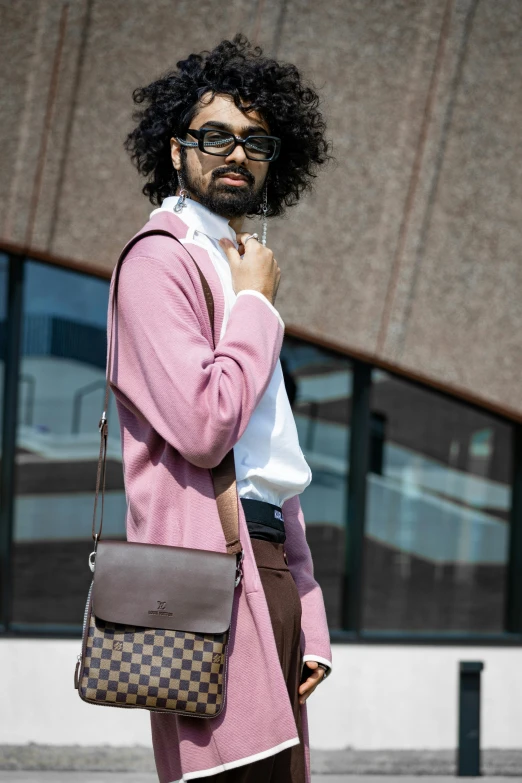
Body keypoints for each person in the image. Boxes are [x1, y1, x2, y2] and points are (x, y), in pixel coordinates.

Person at [113, 34, 332, 783]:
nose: (236, 153)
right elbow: (207, 428)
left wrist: (312, 615)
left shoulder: (236, 263)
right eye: (214, 136)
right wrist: (254, 307)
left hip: (263, 570)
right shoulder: (160, 260)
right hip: (204, 580)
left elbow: (268, 456)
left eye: (256, 141)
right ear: (175, 150)